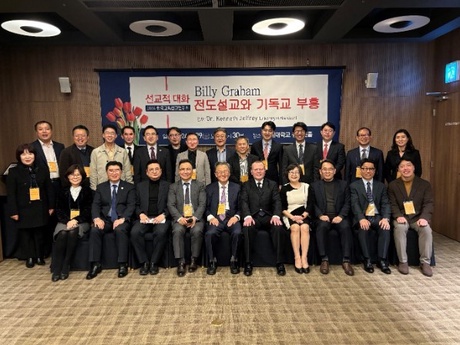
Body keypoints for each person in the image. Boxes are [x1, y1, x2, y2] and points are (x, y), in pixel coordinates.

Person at [6, 144, 54, 268]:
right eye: (24, 154)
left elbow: (49, 188)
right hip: (23, 208)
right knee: (26, 234)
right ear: (19, 156)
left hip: (40, 206)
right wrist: (13, 211)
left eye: (30, 154)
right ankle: (30, 257)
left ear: (35, 155)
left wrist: (51, 206)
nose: (27, 157)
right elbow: (11, 194)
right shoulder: (14, 171)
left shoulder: (42, 169)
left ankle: (40, 256)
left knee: (39, 233)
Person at [86, 161, 136, 279]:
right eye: (111, 171)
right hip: (106, 219)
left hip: (121, 219)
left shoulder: (129, 187)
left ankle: (122, 264)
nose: (114, 173)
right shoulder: (101, 187)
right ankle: (95, 264)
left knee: (120, 230)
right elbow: (96, 205)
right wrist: (97, 218)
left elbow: (131, 205)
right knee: (94, 230)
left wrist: (123, 218)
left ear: (121, 172)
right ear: (107, 173)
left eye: (117, 170)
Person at [388, 158, 434, 277]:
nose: (405, 168)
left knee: (426, 230)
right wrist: (398, 216)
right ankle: (403, 261)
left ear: (414, 168)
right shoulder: (393, 185)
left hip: (418, 217)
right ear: (398, 169)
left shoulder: (425, 184)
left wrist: (424, 217)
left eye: (408, 165)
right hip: (402, 217)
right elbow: (392, 204)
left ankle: (425, 262)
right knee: (400, 228)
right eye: (402, 166)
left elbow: (429, 203)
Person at [308, 159, 354, 276]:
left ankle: (346, 260)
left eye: (330, 169)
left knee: (346, 227)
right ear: (320, 171)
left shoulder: (343, 185)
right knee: (321, 227)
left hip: (339, 216)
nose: (327, 172)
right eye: (324, 169)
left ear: (334, 171)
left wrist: (341, 216)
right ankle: (324, 259)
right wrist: (320, 215)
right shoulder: (314, 186)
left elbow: (347, 203)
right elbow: (312, 204)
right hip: (323, 217)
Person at [240, 161, 286, 276]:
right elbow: (244, 202)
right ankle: (248, 262)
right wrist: (247, 216)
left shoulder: (273, 184)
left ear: (265, 171)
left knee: (278, 227)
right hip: (253, 216)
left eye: (261, 169)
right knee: (247, 228)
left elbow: (277, 201)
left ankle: (280, 262)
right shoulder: (246, 185)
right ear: (251, 172)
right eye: (256, 169)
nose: (259, 171)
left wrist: (276, 215)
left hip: (268, 216)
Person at [349, 159, 391, 274]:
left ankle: (382, 260)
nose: (368, 171)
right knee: (363, 228)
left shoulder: (381, 186)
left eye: (371, 169)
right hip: (363, 216)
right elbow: (354, 204)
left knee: (385, 228)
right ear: (360, 170)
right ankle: (367, 260)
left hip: (377, 216)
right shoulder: (354, 186)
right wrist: (361, 218)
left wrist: (385, 218)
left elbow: (385, 203)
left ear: (375, 171)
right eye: (365, 168)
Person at [52, 164, 92, 282]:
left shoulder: (87, 191)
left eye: (78, 174)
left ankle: (66, 265)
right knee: (63, 233)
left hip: (82, 222)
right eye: (72, 174)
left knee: (73, 232)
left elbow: (88, 210)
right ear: (68, 176)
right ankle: (57, 267)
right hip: (64, 221)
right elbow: (58, 210)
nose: (75, 177)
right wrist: (68, 221)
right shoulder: (62, 191)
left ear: (82, 176)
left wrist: (76, 220)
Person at [131, 160, 170, 276]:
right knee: (134, 232)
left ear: (161, 171)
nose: (154, 172)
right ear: (147, 172)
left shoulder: (169, 186)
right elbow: (135, 205)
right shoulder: (139, 186)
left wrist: (164, 215)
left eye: (157, 169)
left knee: (161, 232)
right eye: (151, 170)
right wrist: (140, 214)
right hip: (145, 217)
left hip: (161, 217)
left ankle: (154, 262)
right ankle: (144, 262)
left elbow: (172, 204)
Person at [168, 159, 206, 277]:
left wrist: (194, 218)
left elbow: (202, 204)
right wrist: (180, 218)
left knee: (197, 230)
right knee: (178, 230)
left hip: (196, 218)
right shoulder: (173, 187)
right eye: (182, 169)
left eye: (188, 169)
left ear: (192, 171)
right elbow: (171, 205)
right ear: (179, 172)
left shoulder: (200, 185)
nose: (185, 172)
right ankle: (181, 261)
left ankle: (194, 260)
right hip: (180, 218)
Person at [205, 162, 241, 275]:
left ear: (229, 173)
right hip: (216, 218)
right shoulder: (209, 188)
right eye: (220, 172)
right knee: (210, 233)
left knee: (238, 232)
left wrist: (236, 217)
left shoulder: (237, 188)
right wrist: (210, 217)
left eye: (225, 171)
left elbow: (242, 207)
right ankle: (212, 261)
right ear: (215, 174)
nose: (223, 174)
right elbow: (204, 207)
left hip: (231, 217)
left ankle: (234, 260)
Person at [280, 164, 310, 274]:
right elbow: (282, 208)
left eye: (296, 172)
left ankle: (304, 258)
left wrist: (303, 216)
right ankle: (297, 257)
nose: (294, 174)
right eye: (291, 172)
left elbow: (310, 204)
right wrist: (292, 217)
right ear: (287, 174)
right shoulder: (284, 188)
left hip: (304, 215)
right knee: (295, 228)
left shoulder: (306, 186)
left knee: (305, 227)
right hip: (289, 215)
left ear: (300, 174)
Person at [89, 124, 133, 191]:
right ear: (103, 135)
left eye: (112, 133)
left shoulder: (122, 152)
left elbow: (127, 172)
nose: (110, 135)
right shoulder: (96, 152)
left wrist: (130, 188)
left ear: (116, 136)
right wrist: (94, 189)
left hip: (121, 188)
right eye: (107, 133)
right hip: (102, 188)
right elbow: (93, 173)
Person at [251, 121, 283, 185]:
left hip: (273, 179)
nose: (267, 133)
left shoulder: (278, 146)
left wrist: (281, 183)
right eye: (265, 130)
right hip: (257, 178)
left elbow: (281, 166)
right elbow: (252, 163)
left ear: (273, 132)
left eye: (270, 131)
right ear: (261, 131)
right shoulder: (255, 146)